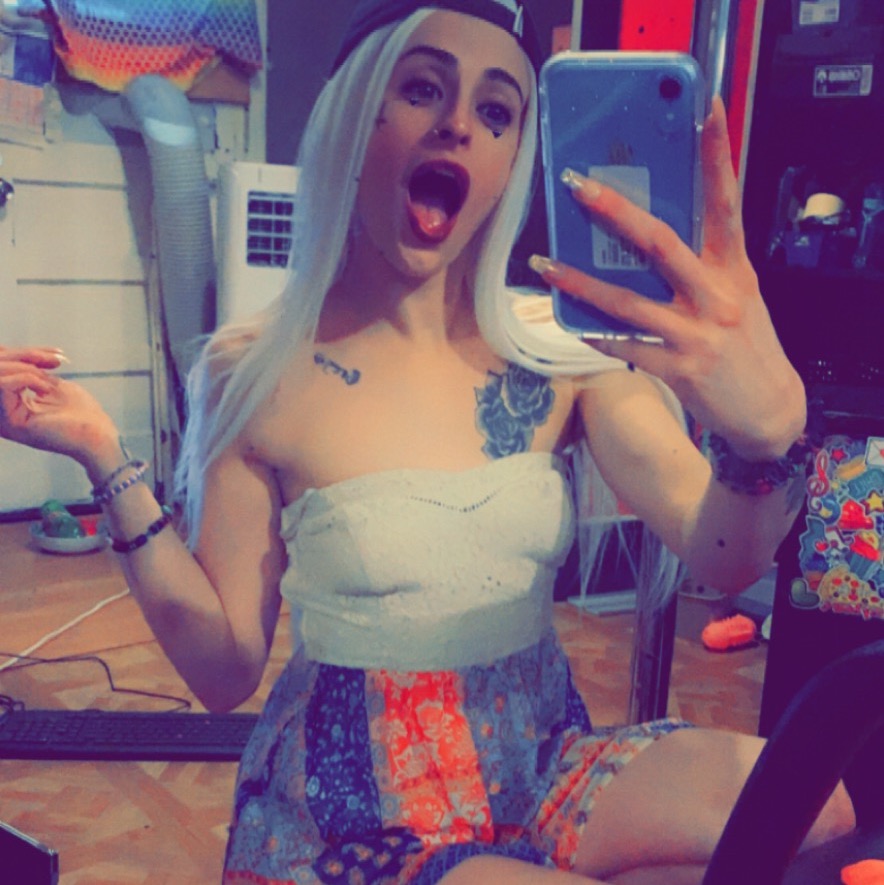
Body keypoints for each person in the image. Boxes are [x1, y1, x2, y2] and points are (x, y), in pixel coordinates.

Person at [0, 1, 856, 882]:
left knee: (813, 801)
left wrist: (765, 437)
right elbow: (223, 671)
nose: (458, 126)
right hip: (347, 809)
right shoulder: (253, 370)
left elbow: (720, 552)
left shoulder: (560, 349)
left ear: (513, 159)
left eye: (496, 111)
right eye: (422, 89)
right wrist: (105, 454)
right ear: (353, 115)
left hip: (537, 760)